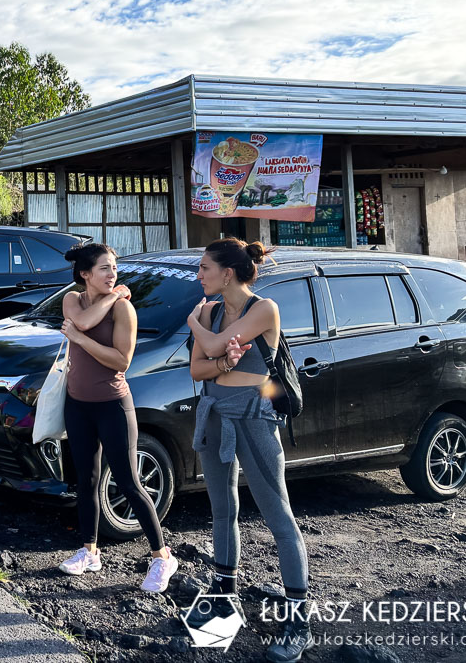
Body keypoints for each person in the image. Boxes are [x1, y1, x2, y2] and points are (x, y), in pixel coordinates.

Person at [186, 238, 312, 663]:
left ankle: (299, 621)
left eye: (204, 267)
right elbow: (198, 368)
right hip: (215, 410)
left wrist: (196, 325)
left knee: (278, 515)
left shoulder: (264, 308)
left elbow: (215, 346)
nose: (198, 274)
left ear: (227, 272)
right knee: (222, 510)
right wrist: (217, 355)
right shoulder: (216, 311)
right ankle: (225, 596)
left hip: (255, 415)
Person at [57, 243, 177, 592]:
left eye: (114, 268)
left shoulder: (125, 310)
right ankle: (89, 551)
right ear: (85, 274)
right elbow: (80, 320)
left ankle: (162, 556)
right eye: (105, 269)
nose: (113, 274)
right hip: (77, 403)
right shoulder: (73, 300)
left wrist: (81, 337)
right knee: (87, 479)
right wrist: (109, 299)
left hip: (112, 404)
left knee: (128, 482)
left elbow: (121, 360)